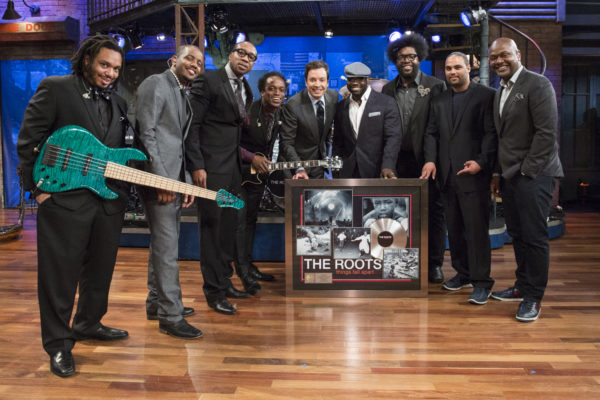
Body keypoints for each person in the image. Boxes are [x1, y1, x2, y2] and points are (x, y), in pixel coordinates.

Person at [17, 35, 130, 378]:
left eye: (116, 68)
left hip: (107, 203)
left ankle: (88, 322)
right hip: (64, 200)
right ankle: (58, 345)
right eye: (104, 65)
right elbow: (28, 140)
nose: (110, 73)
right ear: (86, 61)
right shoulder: (56, 88)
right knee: (59, 277)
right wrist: (36, 191)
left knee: (99, 271)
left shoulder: (120, 103)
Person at [488, 38, 564, 322]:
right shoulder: (500, 90)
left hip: (535, 174)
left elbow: (546, 134)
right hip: (510, 176)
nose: (499, 61)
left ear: (517, 54)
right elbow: (502, 139)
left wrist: (526, 171)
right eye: (494, 57)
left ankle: (533, 297)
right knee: (517, 234)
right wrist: (498, 173)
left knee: (533, 237)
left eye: (504, 55)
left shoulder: (538, 84)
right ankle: (522, 286)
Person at [130, 45, 203, 338]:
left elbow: (178, 145)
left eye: (199, 62)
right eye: (189, 58)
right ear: (174, 60)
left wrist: (182, 181)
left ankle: (156, 303)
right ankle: (170, 316)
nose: (194, 65)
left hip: (173, 178)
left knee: (163, 245)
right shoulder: (156, 83)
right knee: (167, 248)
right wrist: (161, 179)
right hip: (156, 179)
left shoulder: (182, 94)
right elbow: (145, 133)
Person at [185, 41, 259, 315]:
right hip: (210, 169)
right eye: (241, 53)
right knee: (211, 231)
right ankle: (213, 292)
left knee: (228, 229)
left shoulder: (245, 88)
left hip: (232, 170)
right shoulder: (209, 79)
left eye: (251, 57)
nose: (245, 59)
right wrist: (196, 165)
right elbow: (193, 124)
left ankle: (224, 282)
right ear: (231, 54)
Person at [421, 52, 498, 304]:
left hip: (473, 174)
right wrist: (431, 160)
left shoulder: (486, 96)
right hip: (445, 175)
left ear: (468, 68)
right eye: (448, 68)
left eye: (457, 67)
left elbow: (491, 134)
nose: (452, 72)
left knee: (476, 232)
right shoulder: (439, 99)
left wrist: (482, 162)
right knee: (453, 230)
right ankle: (463, 274)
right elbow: (431, 133)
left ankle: (482, 282)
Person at [381, 33, 447, 284]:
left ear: (419, 58)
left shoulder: (435, 86)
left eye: (411, 56)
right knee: (399, 213)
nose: (406, 61)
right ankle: (401, 262)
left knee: (434, 212)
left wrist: (433, 159)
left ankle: (434, 264)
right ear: (395, 61)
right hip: (398, 160)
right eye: (401, 57)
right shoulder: (388, 89)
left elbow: (438, 128)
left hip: (428, 160)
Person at [235, 71, 288, 288]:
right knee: (239, 223)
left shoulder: (280, 114)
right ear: (262, 91)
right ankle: (241, 271)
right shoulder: (247, 111)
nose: (277, 93)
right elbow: (229, 143)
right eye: (272, 89)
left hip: (257, 178)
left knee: (250, 221)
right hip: (238, 174)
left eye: (281, 90)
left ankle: (248, 265)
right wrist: (252, 158)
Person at [332, 62, 402, 179]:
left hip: (378, 171)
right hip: (348, 173)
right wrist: (336, 168)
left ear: (368, 79)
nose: (354, 82)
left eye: (359, 79)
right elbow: (338, 142)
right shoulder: (341, 107)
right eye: (351, 79)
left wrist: (388, 166)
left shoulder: (386, 103)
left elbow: (393, 138)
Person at [279, 60, 338, 179]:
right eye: (312, 80)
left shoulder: (333, 97)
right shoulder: (293, 105)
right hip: (298, 167)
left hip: (322, 167)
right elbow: (287, 143)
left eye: (322, 80)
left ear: (327, 82)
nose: (317, 84)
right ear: (306, 82)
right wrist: (299, 168)